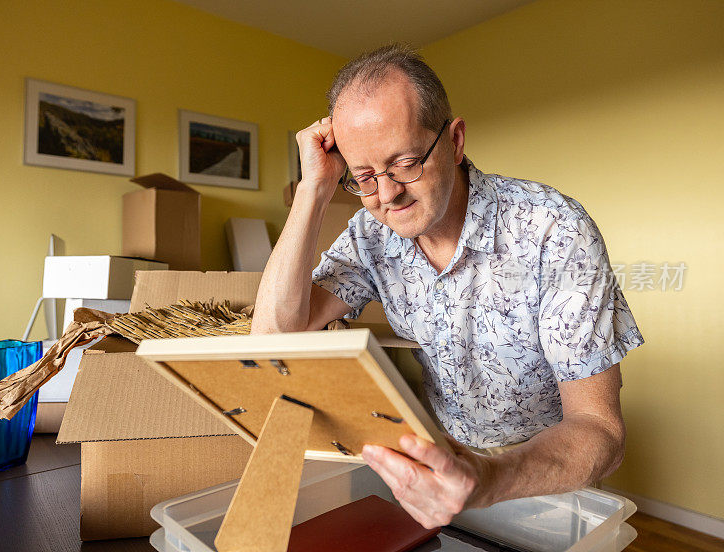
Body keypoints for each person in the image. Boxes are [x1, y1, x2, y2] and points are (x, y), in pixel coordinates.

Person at [251, 44, 644, 529]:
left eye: (406, 163)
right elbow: (273, 337)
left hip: (549, 477)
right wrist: (313, 188)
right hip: (442, 469)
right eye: (365, 176)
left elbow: (599, 429)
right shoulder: (371, 235)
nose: (389, 194)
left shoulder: (552, 229)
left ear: (455, 141)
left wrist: (485, 477)